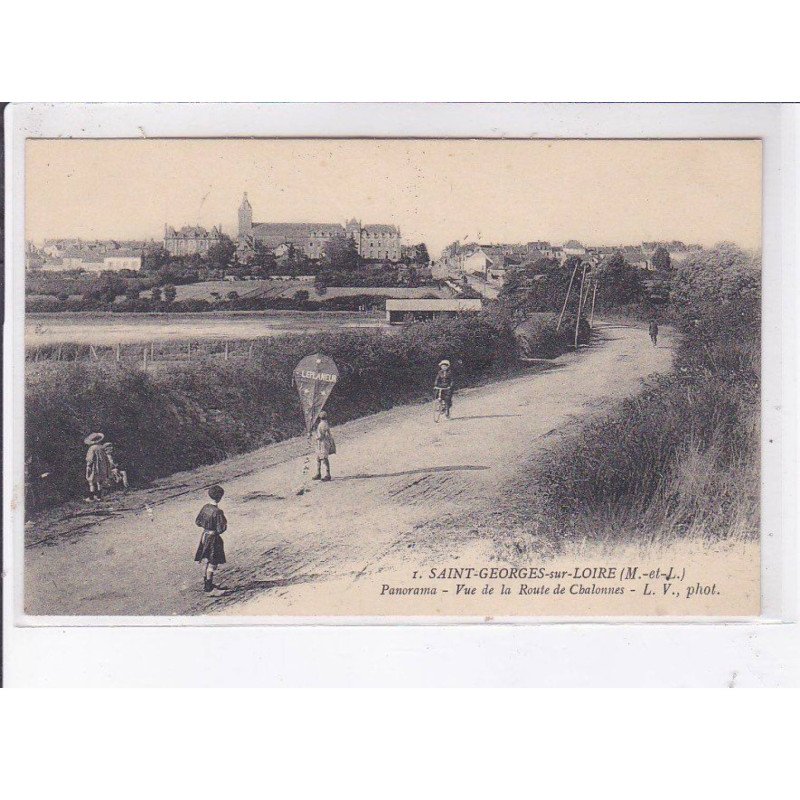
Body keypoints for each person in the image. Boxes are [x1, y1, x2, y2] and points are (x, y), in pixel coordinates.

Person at [194, 485, 228, 593]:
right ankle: (209, 588)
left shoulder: (205, 507)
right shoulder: (218, 512)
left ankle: (207, 583)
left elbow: (197, 522)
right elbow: (221, 528)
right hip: (213, 538)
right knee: (213, 561)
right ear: (220, 497)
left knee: (207, 559)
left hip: (204, 536)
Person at [84, 432, 113, 501]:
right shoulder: (101, 447)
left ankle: (91, 498)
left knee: (91, 482)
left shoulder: (92, 448)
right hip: (102, 467)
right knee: (99, 482)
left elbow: (90, 459)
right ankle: (99, 497)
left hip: (94, 467)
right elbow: (106, 458)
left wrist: (88, 466)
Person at [312, 411, 336, 482]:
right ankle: (319, 473)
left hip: (323, 443)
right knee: (319, 458)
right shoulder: (325, 423)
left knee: (324, 458)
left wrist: (315, 437)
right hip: (324, 443)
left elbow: (321, 436)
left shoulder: (321, 424)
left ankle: (327, 475)